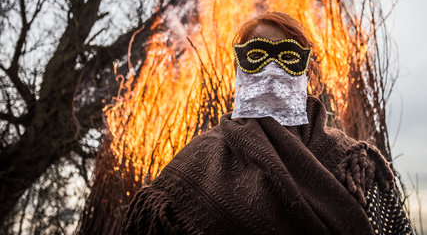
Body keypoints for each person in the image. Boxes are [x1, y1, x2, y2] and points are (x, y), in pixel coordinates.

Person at [122, 12, 412, 234]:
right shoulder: (199, 160)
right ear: (239, 69)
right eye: (257, 56)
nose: (273, 68)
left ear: (308, 72)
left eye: (288, 56)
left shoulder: (353, 165)